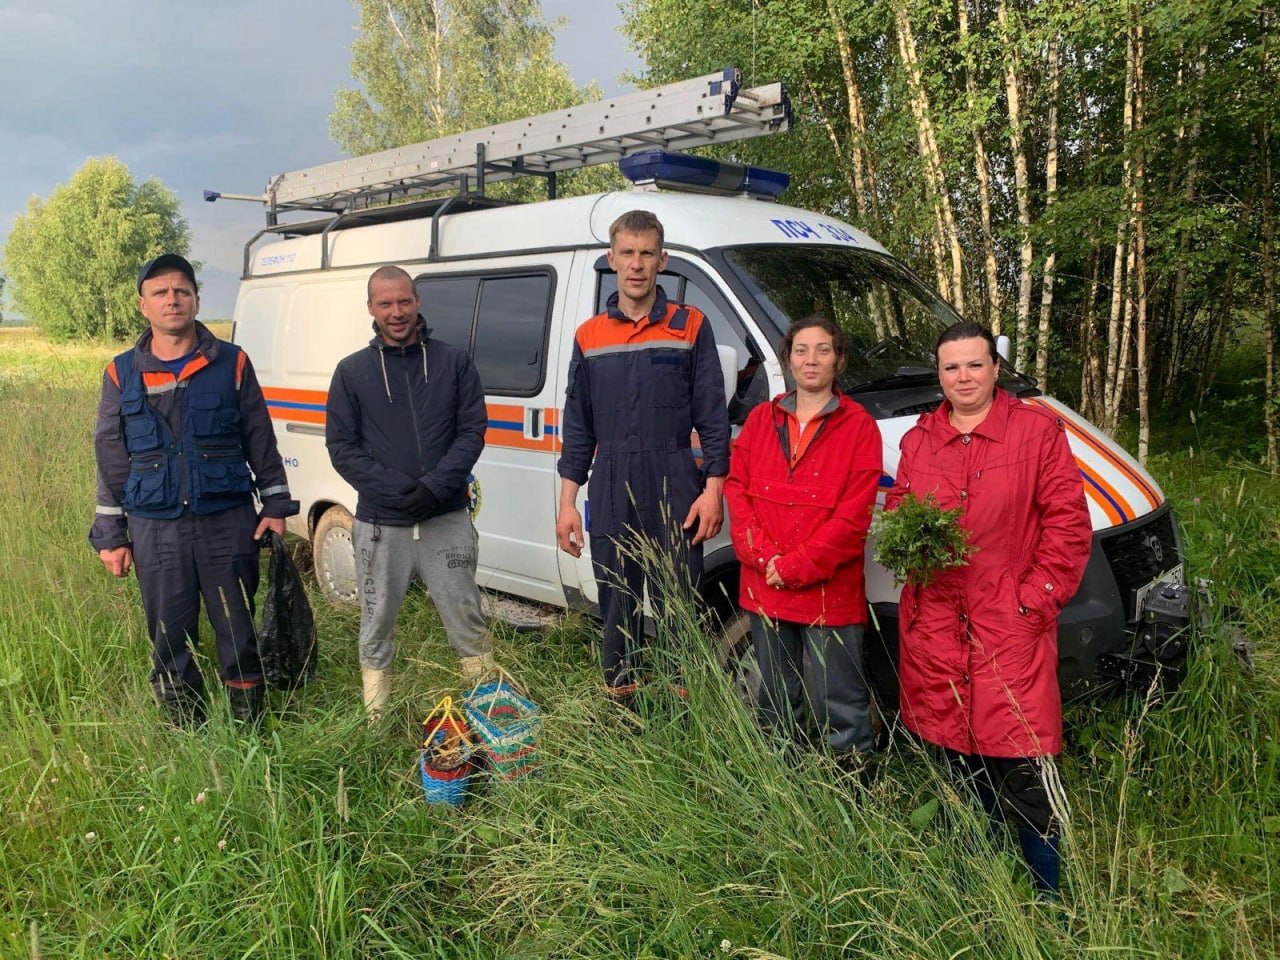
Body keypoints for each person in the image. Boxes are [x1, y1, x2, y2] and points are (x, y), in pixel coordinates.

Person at [885, 320, 1092, 898]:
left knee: (1023, 764)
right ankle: (982, 884)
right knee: (957, 760)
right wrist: (908, 538)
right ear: (940, 375)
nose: (963, 377)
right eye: (951, 367)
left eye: (974, 365)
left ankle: (1050, 897)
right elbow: (902, 507)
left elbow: (1069, 527)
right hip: (938, 627)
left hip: (1008, 625)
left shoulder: (1036, 433)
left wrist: (1033, 603)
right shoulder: (919, 441)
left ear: (996, 369)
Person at [90, 253, 298, 728]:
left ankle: (250, 732)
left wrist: (276, 504)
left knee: (238, 628)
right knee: (168, 634)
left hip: (226, 521)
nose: (172, 300)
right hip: (154, 527)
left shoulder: (232, 362)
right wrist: (111, 533)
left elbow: (259, 436)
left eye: (181, 291)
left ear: (197, 300)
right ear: (143, 306)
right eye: (160, 293)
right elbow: (112, 455)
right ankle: (189, 733)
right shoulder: (121, 373)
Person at [556, 210, 730, 708]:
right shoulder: (589, 336)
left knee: (679, 608)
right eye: (627, 254)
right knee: (617, 608)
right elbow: (578, 427)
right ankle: (624, 717)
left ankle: (683, 716)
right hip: (610, 485)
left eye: (647, 254)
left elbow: (713, 417)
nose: (637, 264)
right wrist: (569, 504)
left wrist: (713, 490)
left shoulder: (690, 326)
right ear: (611, 260)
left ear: (663, 261)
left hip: (675, 484)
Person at [326, 265, 493, 717]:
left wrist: (436, 488)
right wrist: (400, 491)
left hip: (447, 519)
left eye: (403, 301)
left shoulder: (453, 362)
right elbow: (342, 448)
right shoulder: (351, 372)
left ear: (417, 302)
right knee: (376, 622)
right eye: (385, 304)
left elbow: (472, 431)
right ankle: (376, 720)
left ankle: (489, 714)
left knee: (466, 616)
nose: (396, 312)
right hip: (382, 524)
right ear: (371, 309)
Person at [724, 317, 882, 769]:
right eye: (800, 350)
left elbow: (853, 518)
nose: (810, 360)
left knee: (843, 702)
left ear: (839, 360)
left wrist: (795, 566)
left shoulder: (859, 427)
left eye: (822, 350)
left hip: (828, 590)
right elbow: (738, 489)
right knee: (776, 699)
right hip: (765, 582)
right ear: (788, 359)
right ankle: (785, 789)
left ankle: (852, 789)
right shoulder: (761, 419)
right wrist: (764, 557)